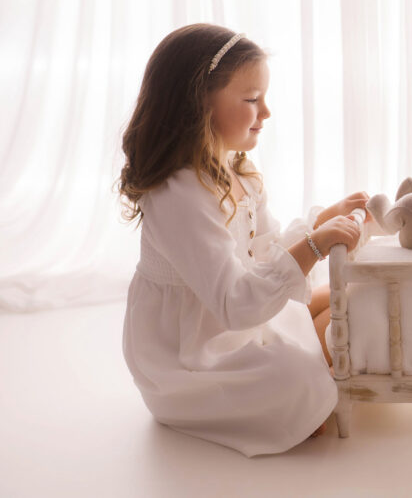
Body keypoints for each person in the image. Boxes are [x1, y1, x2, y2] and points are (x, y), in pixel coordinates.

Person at [118, 24, 368, 456]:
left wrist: (319, 224)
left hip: (234, 316)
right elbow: (235, 304)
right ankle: (305, 388)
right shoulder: (177, 192)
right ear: (197, 107)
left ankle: (320, 371)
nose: (266, 112)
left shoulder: (236, 169)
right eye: (252, 100)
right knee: (298, 371)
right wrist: (314, 246)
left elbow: (263, 254)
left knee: (354, 297)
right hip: (189, 351)